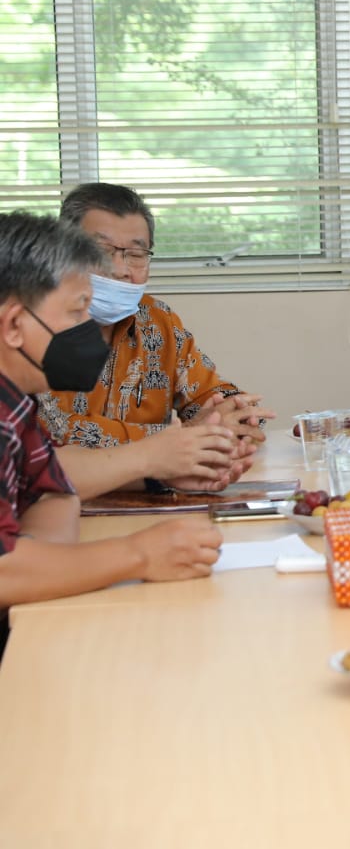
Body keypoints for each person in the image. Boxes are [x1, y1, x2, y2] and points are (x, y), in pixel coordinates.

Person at [0, 212, 222, 631]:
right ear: (14, 326)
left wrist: (43, 571)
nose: (91, 331)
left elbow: (56, 494)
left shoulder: (16, 402)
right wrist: (138, 554)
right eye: (78, 311)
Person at [36, 184, 268, 497]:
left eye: (135, 254)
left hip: (145, 503)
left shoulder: (157, 321)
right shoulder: (32, 326)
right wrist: (180, 441)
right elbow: (52, 437)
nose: (120, 270)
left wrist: (233, 420)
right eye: (101, 252)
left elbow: (215, 400)